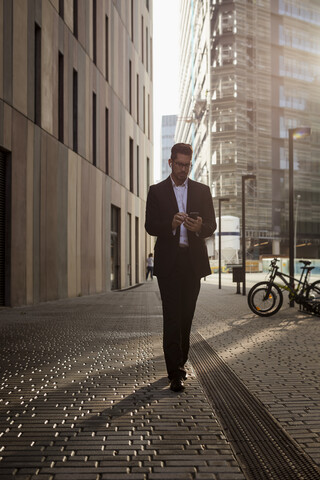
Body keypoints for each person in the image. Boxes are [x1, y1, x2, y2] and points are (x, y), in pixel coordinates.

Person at [145, 143, 216, 392]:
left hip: (192, 263)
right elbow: (150, 225)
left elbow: (211, 225)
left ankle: (181, 361)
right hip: (169, 264)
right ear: (170, 162)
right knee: (172, 317)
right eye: (179, 164)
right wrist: (171, 224)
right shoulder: (157, 191)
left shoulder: (202, 190)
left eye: (187, 165)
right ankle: (175, 371)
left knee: (187, 317)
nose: (183, 169)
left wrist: (199, 229)